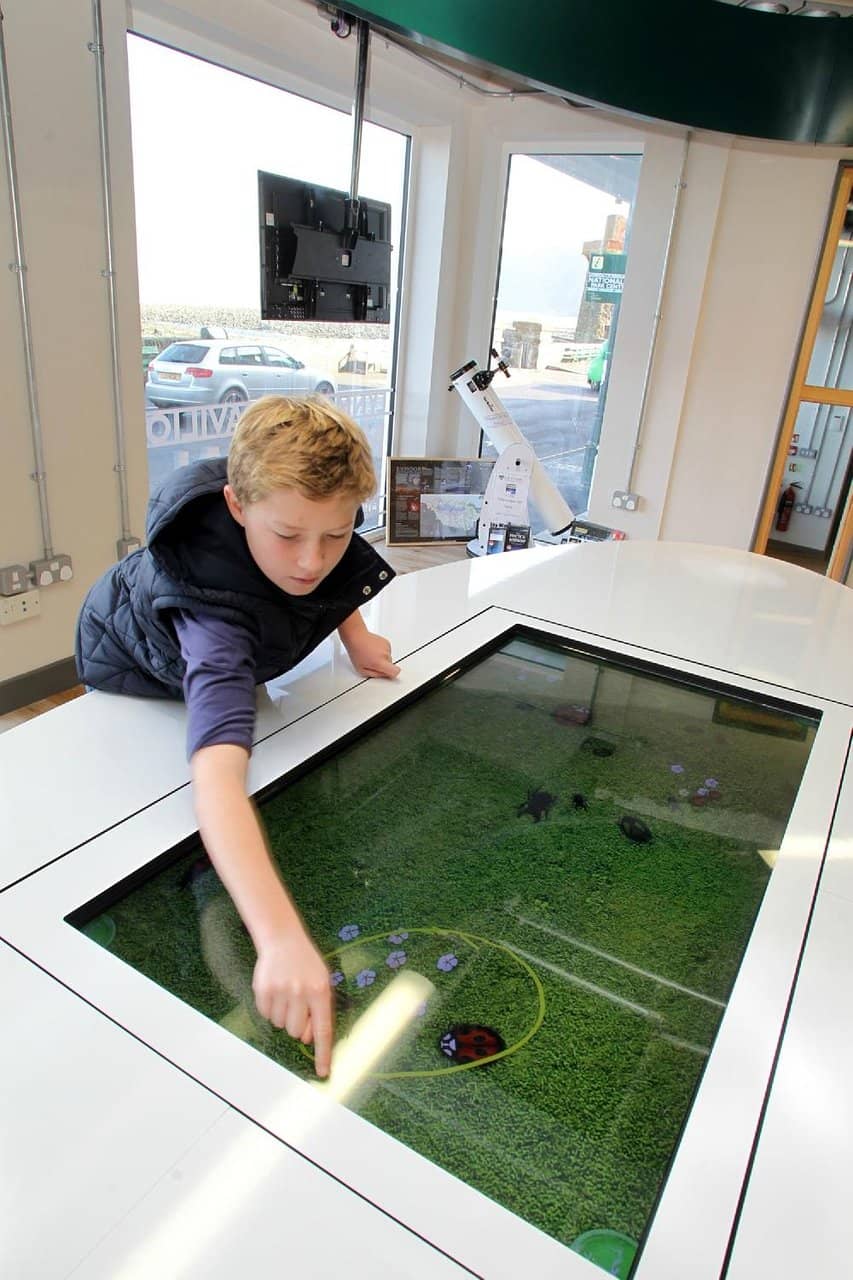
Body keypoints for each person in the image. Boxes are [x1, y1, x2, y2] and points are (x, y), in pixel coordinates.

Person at [76, 395, 400, 1078]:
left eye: (336, 534)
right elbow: (217, 783)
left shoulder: (312, 533)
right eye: (288, 536)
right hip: (132, 669)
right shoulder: (214, 622)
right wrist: (280, 940)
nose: (312, 560)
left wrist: (359, 637)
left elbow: (334, 580)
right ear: (236, 505)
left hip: (228, 651)